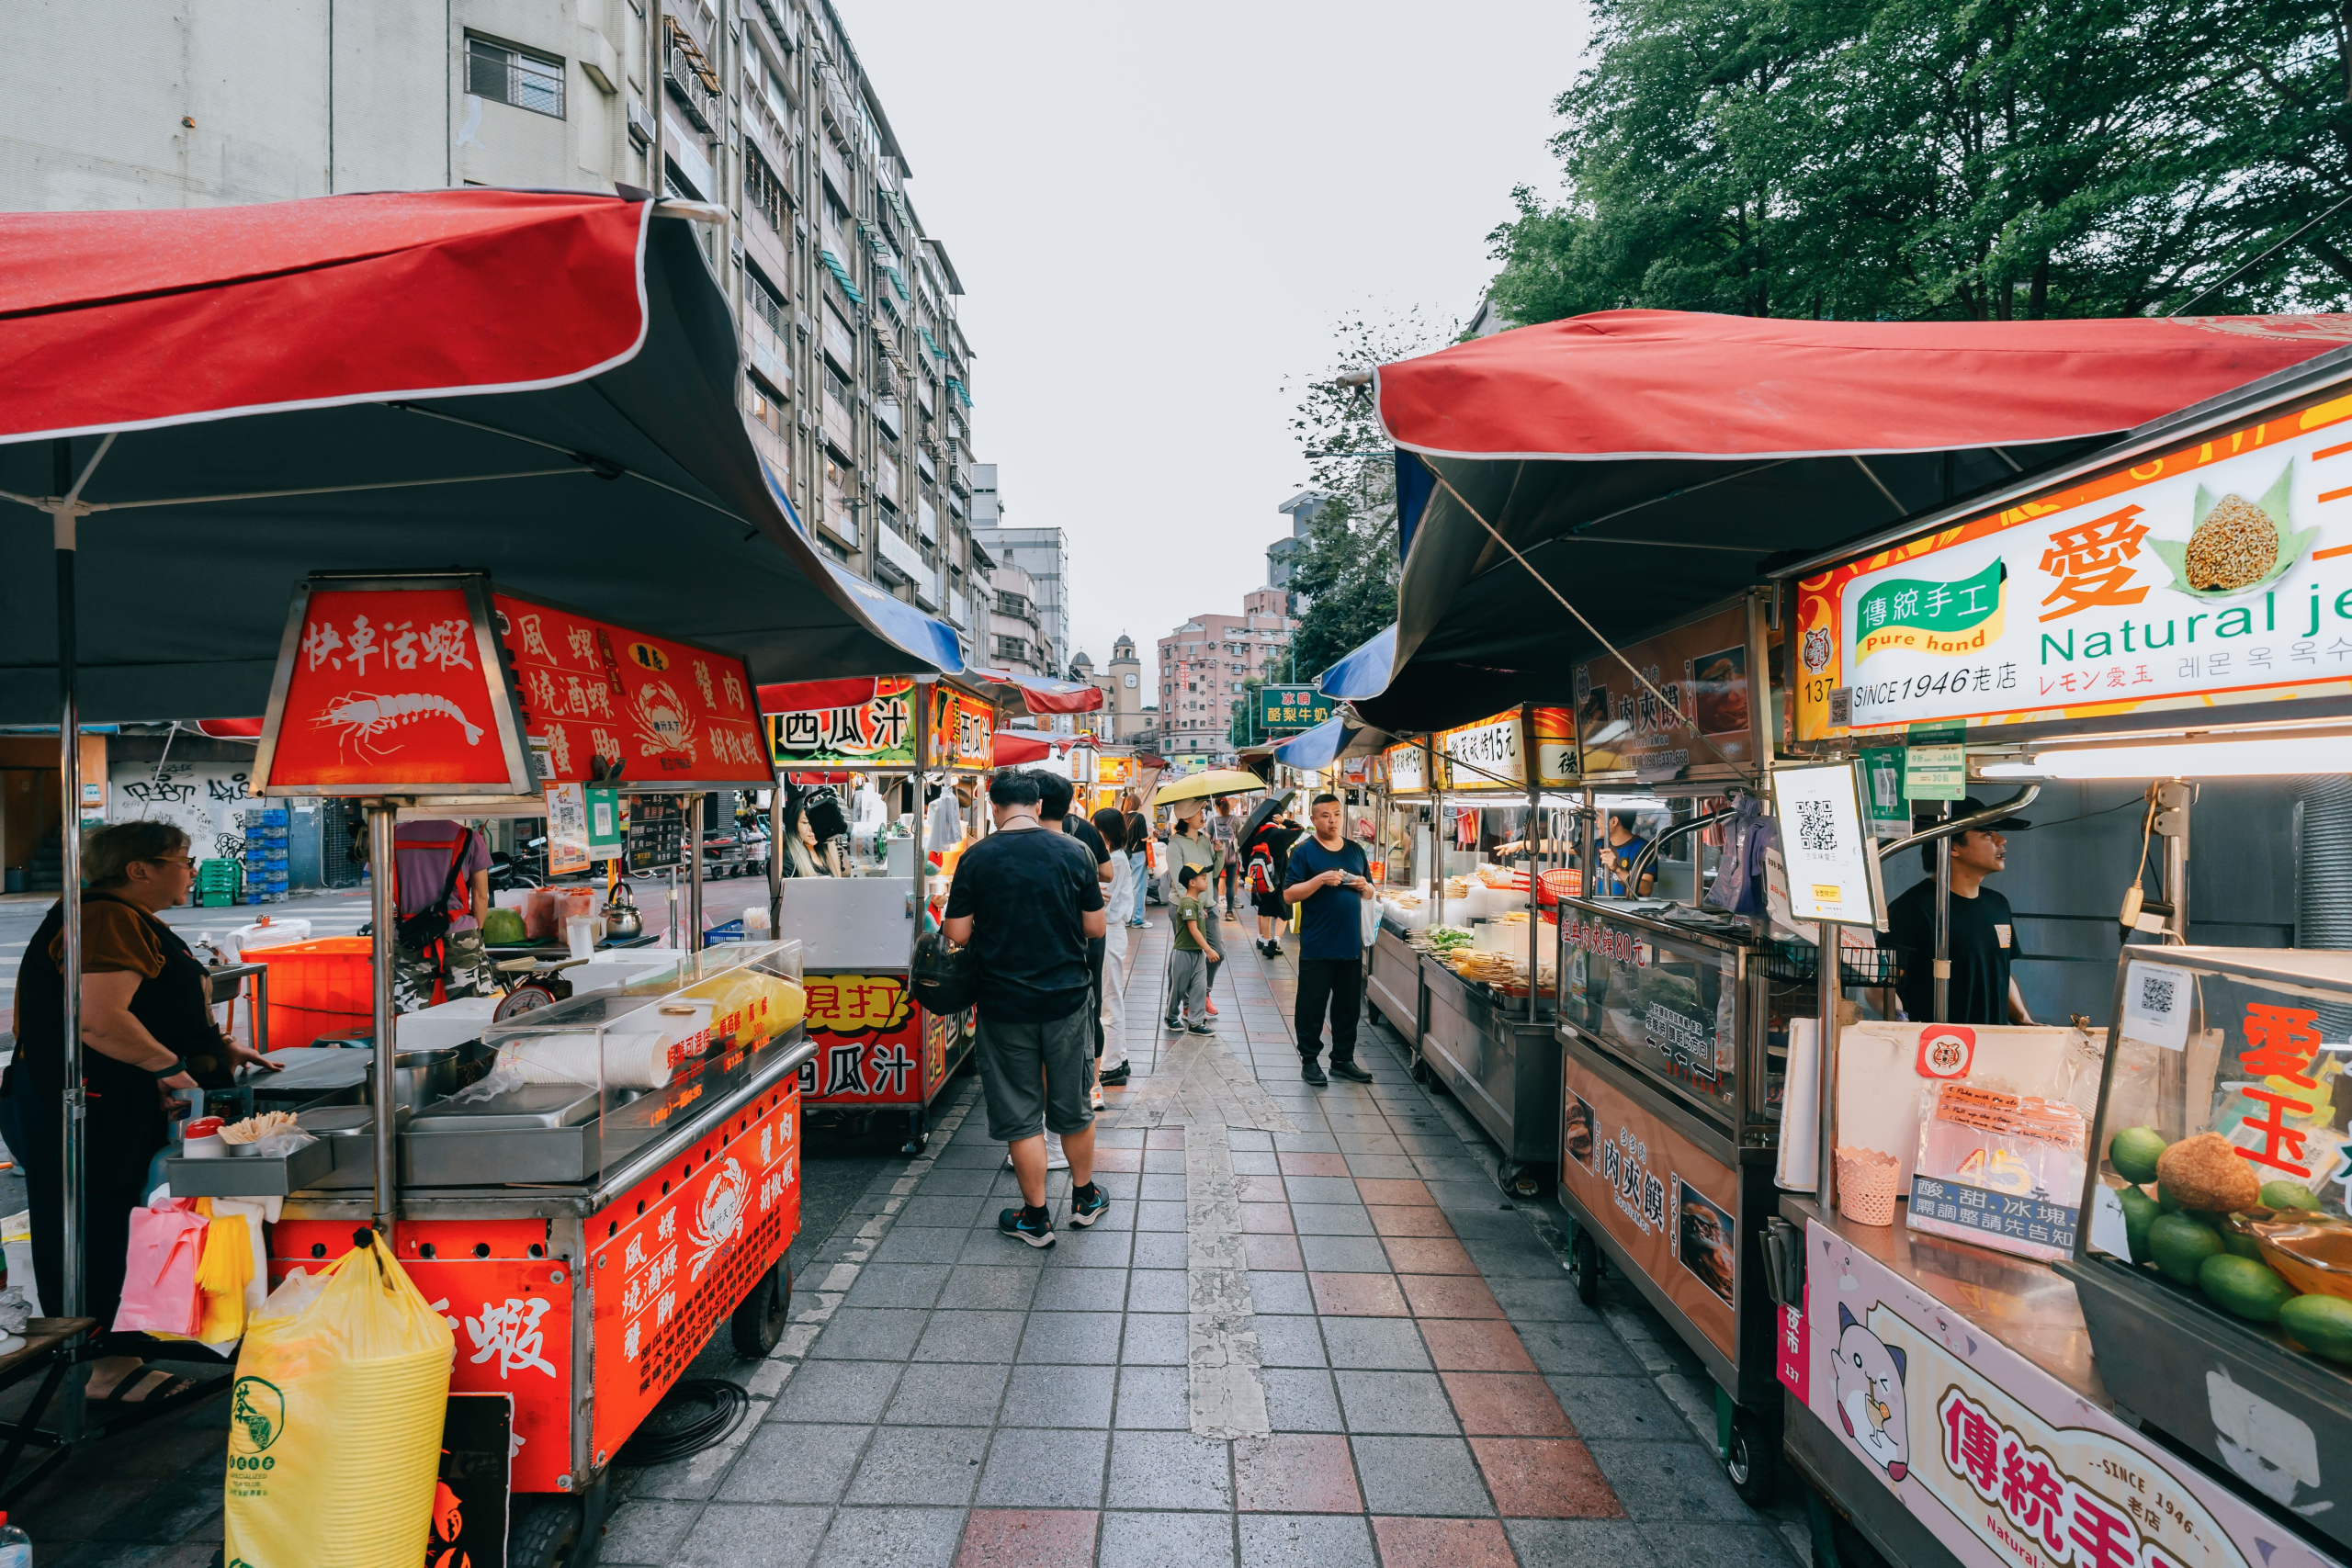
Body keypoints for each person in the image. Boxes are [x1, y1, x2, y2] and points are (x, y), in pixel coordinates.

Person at [8, 821, 275, 1405]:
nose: (192, 871)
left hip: (114, 1099)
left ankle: (131, 1344)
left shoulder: (120, 916)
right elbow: (98, 1017)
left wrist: (218, 1048)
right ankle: (107, 1366)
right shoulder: (105, 916)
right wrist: (168, 1068)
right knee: (95, 1224)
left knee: (129, 1217)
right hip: (87, 1102)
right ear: (138, 869)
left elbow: (148, 1005)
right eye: (182, 861)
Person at [943, 770, 1111, 1248]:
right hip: (1067, 999)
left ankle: (1036, 1219)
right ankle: (1084, 1199)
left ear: (993, 808)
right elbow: (1095, 928)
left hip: (1002, 1002)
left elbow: (955, 935)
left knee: (1021, 1113)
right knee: (1073, 1106)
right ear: (1038, 806)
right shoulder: (1075, 853)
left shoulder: (976, 858)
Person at [1882, 798, 2035, 1026]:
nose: (2001, 840)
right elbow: (1881, 985)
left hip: (1995, 1044)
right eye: (1987, 834)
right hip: (1939, 1051)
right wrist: (1901, 1022)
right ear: (1952, 847)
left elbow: (1998, 973)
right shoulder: (1911, 909)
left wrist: (2024, 1020)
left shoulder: (1998, 904)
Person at [1283, 794, 1374, 1086]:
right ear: (1313, 820)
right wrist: (1319, 880)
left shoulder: (1356, 851)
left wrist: (1365, 887)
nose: (1332, 819)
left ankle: (1342, 1060)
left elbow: (1371, 890)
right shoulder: (1304, 852)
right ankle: (1309, 1061)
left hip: (1350, 945)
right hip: (1318, 945)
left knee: (1348, 1007)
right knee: (1311, 1006)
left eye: (1336, 814)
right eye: (1325, 815)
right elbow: (1288, 894)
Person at [1038, 773, 1114, 1102]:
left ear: (1034, 803)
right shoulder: (1084, 838)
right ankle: (1091, 1084)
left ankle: (1047, 1096)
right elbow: (1107, 875)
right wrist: (1086, 889)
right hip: (1084, 940)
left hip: (1046, 946)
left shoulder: (1008, 843)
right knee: (1089, 1005)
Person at [390, 818, 493, 1012]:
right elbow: (480, 895)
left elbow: (381, 893)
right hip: (459, 932)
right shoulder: (468, 837)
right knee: (471, 1009)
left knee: (409, 1011)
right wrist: (476, 932)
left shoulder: (390, 837)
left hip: (408, 934)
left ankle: (412, 1043)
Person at [1091, 807, 1136, 1095]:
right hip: (1111, 932)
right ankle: (1116, 1060)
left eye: (1096, 828)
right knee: (1109, 998)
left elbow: (1104, 902)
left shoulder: (1116, 861)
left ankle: (1112, 1065)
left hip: (1111, 931)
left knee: (1110, 999)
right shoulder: (1116, 859)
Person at [1168, 814, 1224, 1015]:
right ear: (1187, 815)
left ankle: (1203, 993)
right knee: (1189, 957)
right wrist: (1195, 907)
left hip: (1209, 905)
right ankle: (1188, 1004)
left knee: (1218, 953)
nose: (1203, 815)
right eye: (1199, 811)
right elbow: (1179, 881)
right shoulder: (1175, 845)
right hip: (1187, 907)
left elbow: (1214, 874)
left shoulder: (1205, 841)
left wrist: (1220, 852)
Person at [1246, 808, 1305, 958]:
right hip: (1279, 876)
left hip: (1262, 877)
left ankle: (1266, 941)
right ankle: (1276, 941)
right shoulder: (1279, 834)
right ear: (1277, 817)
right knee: (1284, 910)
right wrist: (1284, 822)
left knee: (1265, 910)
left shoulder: (1257, 834)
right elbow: (1300, 828)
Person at [1165, 863, 1216, 1034]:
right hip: (1183, 953)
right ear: (1192, 883)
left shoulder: (1196, 902)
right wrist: (1208, 949)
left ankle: (1195, 1022)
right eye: (1203, 878)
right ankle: (1171, 1016)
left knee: (1199, 988)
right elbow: (1193, 929)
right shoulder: (1187, 902)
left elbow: (1196, 921)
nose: (1206, 881)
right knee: (1177, 988)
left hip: (1196, 953)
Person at [1600, 811, 1655, 897]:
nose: (1595, 821)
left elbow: (1646, 890)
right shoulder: (1597, 845)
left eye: (1599, 816)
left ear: (1614, 821)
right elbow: (1570, 847)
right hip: (1597, 908)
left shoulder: (1643, 849)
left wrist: (1618, 870)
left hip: (1627, 910)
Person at [1120, 792, 1151, 928]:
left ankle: (1127, 918)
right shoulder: (1139, 817)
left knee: (1126, 887)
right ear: (1137, 804)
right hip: (1138, 854)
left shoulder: (1120, 817)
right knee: (1139, 888)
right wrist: (1151, 834)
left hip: (1124, 854)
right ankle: (1137, 920)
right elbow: (1144, 838)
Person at [1210, 796, 1241, 920]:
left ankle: (1214, 910)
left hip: (1217, 856)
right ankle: (1229, 912)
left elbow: (1207, 839)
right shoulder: (1236, 820)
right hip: (1232, 857)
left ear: (1216, 807)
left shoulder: (1212, 821)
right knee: (1230, 884)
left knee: (1215, 884)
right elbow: (1239, 837)